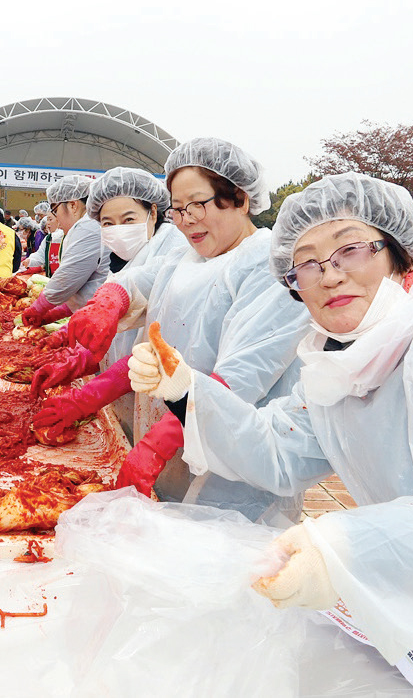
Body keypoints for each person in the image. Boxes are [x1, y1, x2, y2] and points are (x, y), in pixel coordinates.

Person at [130, 172, 413, 681]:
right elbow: (278, 452)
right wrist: (188, 391)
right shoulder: (342, 362)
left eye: (350, 250)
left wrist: (348, 548)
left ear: (401, 253)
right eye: (307, 264)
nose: (330, 276)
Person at [42, 139, 310, 521]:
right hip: (170, 449)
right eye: (178, 209)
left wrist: (157, 444)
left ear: (240, 198)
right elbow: (143, 303)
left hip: (233, 472)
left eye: (197, 204)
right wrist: (109, 304)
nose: (186, 220)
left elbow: (241, 377)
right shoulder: (185, 259)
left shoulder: (266, 268)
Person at [32, 166, 189, 438]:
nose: (118, 230)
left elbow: (158, 350)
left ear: (153, 212)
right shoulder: (123, 257)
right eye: (107, 223)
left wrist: (90, 394)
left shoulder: (175, 251)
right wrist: (80, 360)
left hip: (171, 416)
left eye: (129, 219)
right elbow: (117, 337)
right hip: (129, 402)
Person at [21, 176, 110, 326]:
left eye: (55, 210)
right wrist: (59, 311)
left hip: (107, 317)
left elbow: (68, 276)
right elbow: (89, 283)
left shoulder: (88, 226)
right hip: (99, 311)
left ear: (73, 205)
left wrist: (39, 307)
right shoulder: (87, 225)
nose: (57, 218)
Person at [24, 207, 63, 275]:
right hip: (51, 277)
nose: (47, 223)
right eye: (47, 220)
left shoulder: (68, 237)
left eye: (50, 219)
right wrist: (30, 260)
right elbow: (41, 255)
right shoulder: (48, 239)